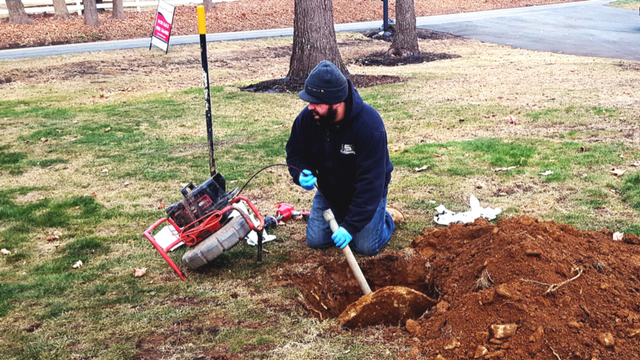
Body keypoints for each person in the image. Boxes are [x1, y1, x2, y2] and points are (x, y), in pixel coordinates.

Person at [286, 60, 397, 256]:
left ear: (337, 101)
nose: (310, 107)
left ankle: (386, 219)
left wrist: (351, 226)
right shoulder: (308, 118)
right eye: (309, 101)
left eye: (316, 103)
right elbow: (295, 152)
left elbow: (371, 183)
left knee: (365, 247)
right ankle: (351, 216)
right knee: (316, 241)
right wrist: (300, 172)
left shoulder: (369, 126)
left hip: (366, 192)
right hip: (330, 192)